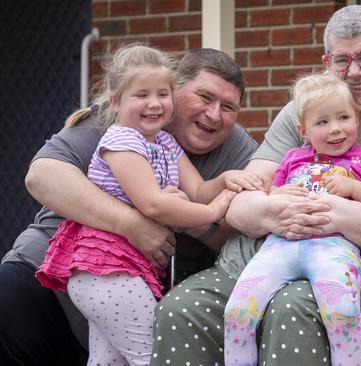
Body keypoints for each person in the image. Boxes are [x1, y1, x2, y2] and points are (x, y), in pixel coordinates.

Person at [149, 5, 361, 366]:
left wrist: (335, 211)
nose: (354, 71)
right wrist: (274, 211)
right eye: (341, 60)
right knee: (180, 309)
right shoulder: (302, 111)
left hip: (355, 272)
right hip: (256, 260)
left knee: (292, 308)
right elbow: (243, 198)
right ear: (326, 63)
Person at [0, 48, 259, 366]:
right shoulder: (123, 124)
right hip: (53, 278)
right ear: (175, 91)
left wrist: (210, 201)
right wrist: (134, 224)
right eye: (204, 97)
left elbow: (229, 227)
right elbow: (41, 177)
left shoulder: (223, 145)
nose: (215, 114)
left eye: (228, 107)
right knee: (155, 357)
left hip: (133, 284)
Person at [224, 73, 361, 366]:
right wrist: (279, 193)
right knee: (237, 311)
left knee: (342, 312)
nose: (335, 129)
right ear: (303, 129)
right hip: (280, 246)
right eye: (322, 122)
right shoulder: (293, 157)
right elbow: (271, 193)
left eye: (343, 117)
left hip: (332, 250)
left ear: (357, 118)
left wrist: (355, 188)